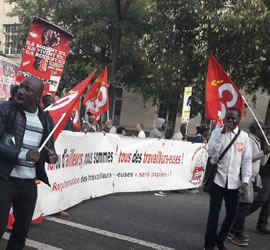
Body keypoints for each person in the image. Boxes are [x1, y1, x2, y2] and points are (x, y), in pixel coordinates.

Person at [0, 76, 57, 249]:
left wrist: (51, 156)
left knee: (21, 231)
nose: (21, 92)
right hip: (4, 179)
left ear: (38, 96)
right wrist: (22, 155)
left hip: (28, 184)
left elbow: (49, 149)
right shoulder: (5, 110)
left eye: (27, 89)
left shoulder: (46, 120)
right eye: (21, 87)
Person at [203, 108, 252, 250]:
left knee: (232, 214)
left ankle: (220, 239)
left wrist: (245, 180)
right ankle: (209, 244)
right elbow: (212, 153)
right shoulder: (217, 133)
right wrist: (222, 136)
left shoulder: (243, 137)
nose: (229, 121)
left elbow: (246, 160)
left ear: (239, 120)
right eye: (228, 118)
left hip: (234, 183)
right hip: (218, 180)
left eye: (233, 118)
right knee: (214, 214)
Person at [229, 121, 270, 247]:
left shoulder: (257, 141)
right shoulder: (250, 140)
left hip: (251, 177)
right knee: (244, 206)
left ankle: (234, 228)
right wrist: (263, 152)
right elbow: (248, 158)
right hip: (246, 177)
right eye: (263, 129)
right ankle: (234, 230)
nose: (265, 132)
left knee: (245, 205)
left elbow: (262, 162)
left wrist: (266, 151)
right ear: (257, 130)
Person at [247, 131, 270, 235]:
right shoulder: (267, 136)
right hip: (266, 172)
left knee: (268, 202)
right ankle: (239, 216)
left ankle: (262, 224)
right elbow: (264, 152)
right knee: (262, 198)